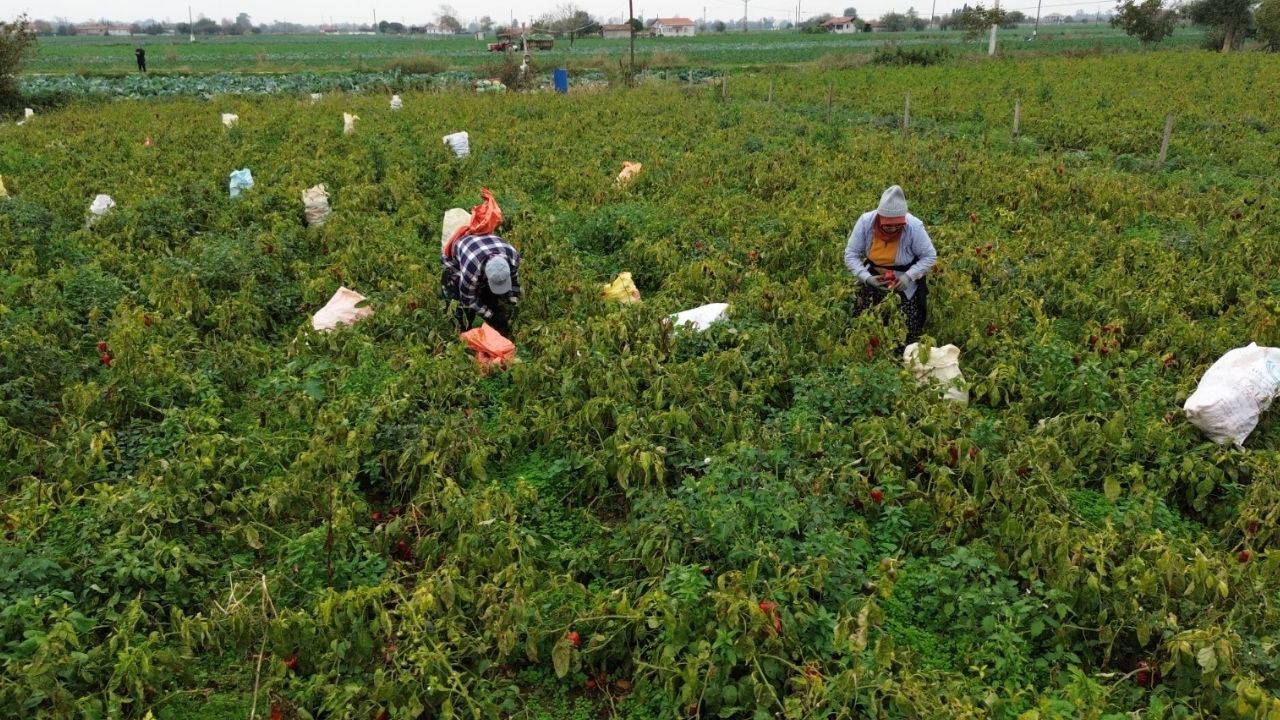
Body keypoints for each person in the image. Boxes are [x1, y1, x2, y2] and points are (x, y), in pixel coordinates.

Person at [844, 185, 937, 345]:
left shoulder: (913, 226)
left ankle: (900, 356)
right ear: (879, 217)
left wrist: (909, 276)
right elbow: (851, 254)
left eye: (898, 224)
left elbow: (929, 256)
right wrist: (867, 278)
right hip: (874, 276)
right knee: (864, 322)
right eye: (888, 225)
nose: (893, 228)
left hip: (904, 283)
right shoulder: (866, 222)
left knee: (906, 328)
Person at [442, 233, 522, 337]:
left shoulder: (512, 256)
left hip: (481, 247)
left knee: (492, 298)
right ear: (486, 275)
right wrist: (491, 316)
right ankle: (460, 334)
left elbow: (515, 282)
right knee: (460, 307)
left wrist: (513, 304)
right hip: (455, 259)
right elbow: (468, 299)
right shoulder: (471, 270)